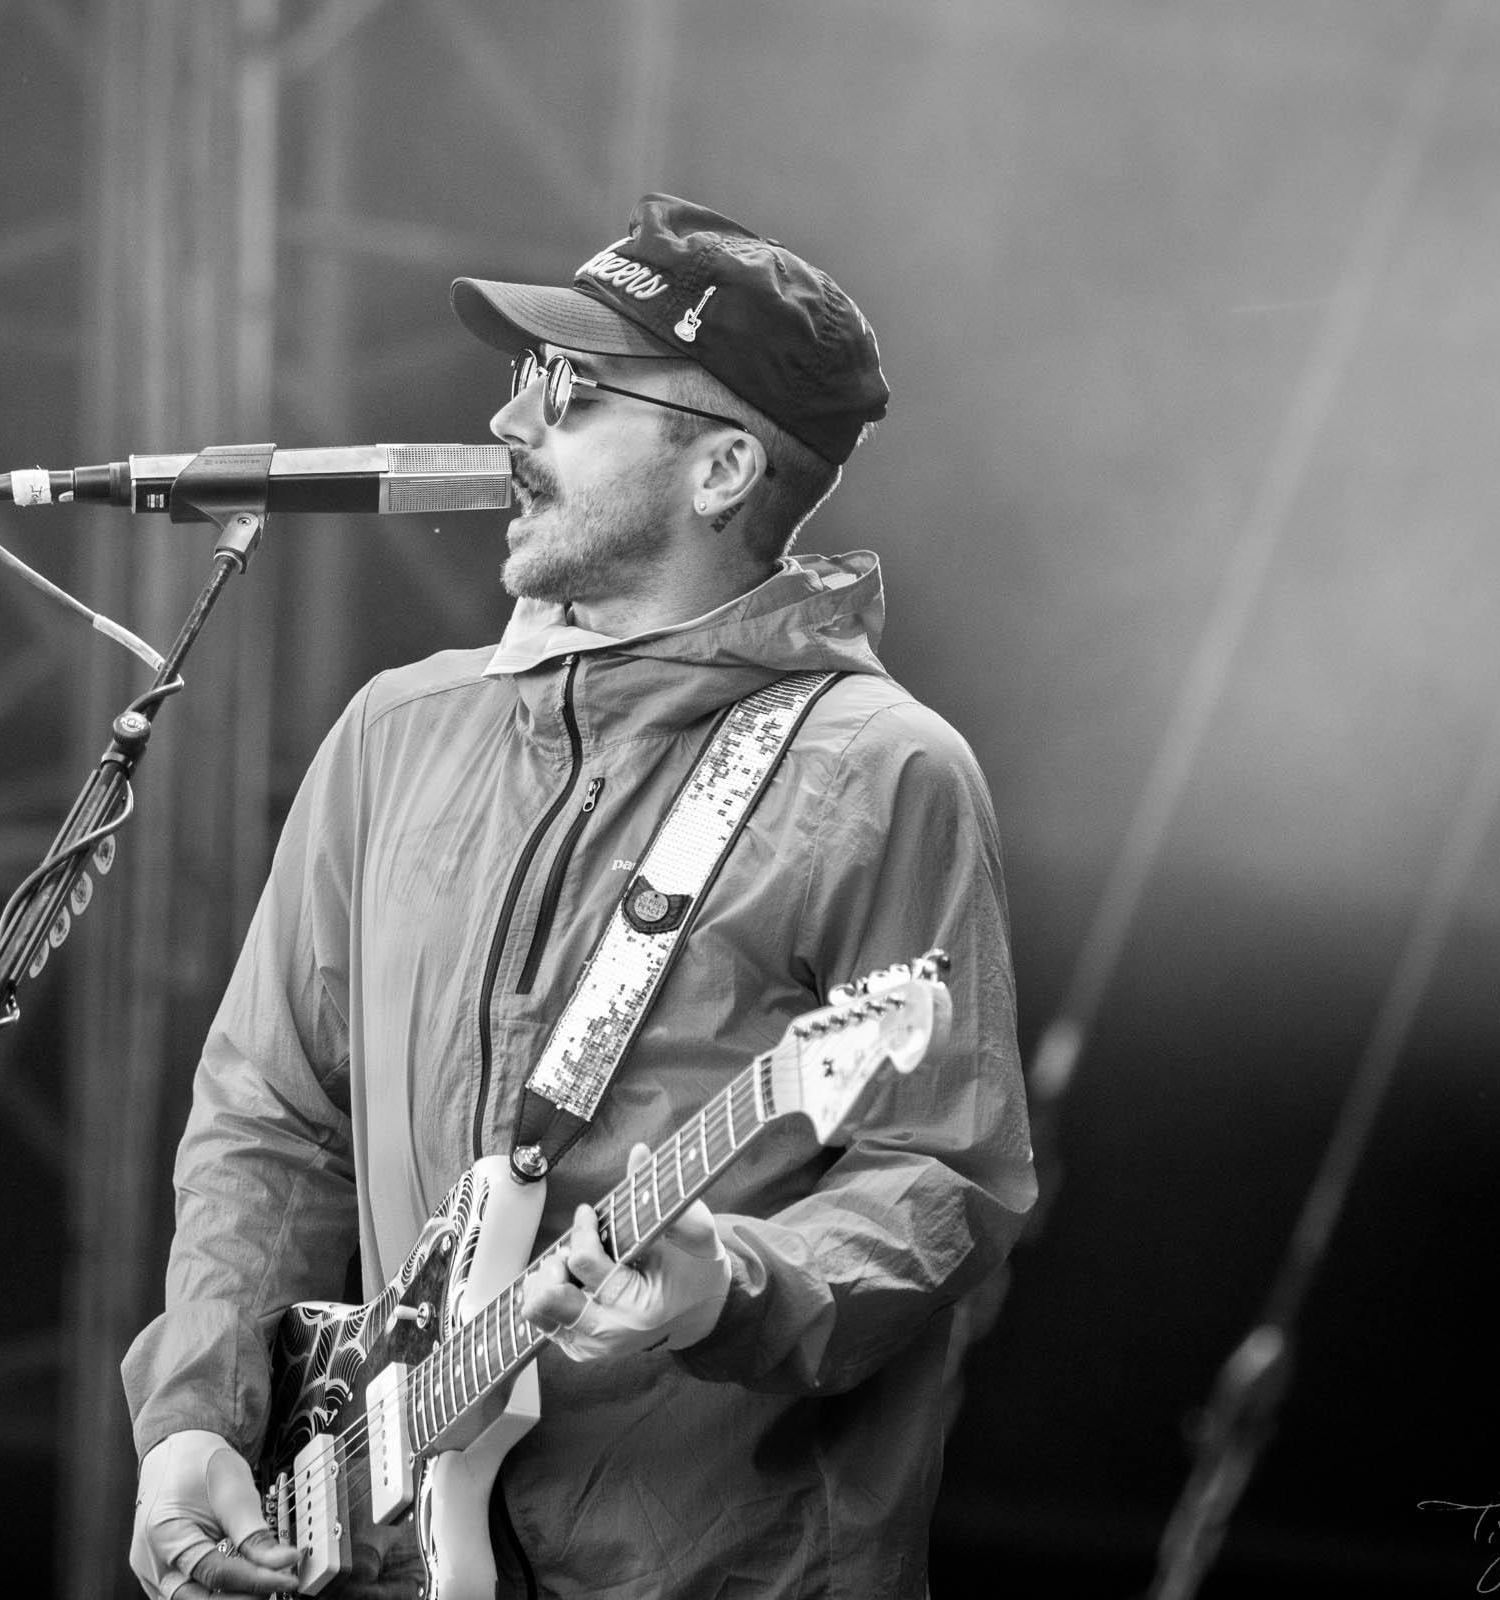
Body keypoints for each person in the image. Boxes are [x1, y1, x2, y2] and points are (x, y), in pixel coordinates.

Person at [123, 194, 1036, 1599]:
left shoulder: (882, 769)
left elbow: (942, 1183)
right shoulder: (398, 731)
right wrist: (195, 1417)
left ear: (723, 467)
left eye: (565, 388)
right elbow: (273, 1117)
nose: (506, 427)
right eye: (516, 381)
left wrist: (730, 1282)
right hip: (388, 1540)